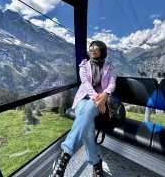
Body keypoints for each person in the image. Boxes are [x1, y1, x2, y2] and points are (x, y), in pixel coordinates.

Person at [49, 40, 117, 177]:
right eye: (91, 49)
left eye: (95, 49)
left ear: (102, 51)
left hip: (99, 101)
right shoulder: (84, 65)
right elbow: (85, 83)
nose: (92, 51)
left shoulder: (110, 67)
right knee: (88, 125)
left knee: (87, 112)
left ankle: (65, 156)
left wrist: (104, 96)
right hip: (84, 98)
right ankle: (96, 162)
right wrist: (97, 98)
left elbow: (112, 83)